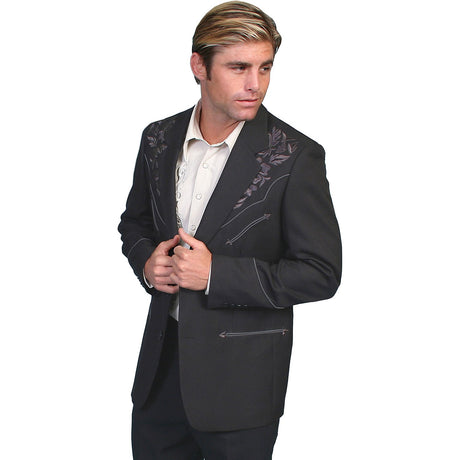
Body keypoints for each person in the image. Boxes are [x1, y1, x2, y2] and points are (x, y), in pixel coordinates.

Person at [118, 2, 342, 458]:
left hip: (242, 386)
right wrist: (147, 261)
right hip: (160, 375)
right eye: (238, 67)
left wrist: (215, 274)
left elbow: (321, 272)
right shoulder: (157, 138)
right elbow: (134, 222)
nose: (255, 83)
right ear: (199, 66)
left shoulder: (295, 156)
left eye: (265, 67)